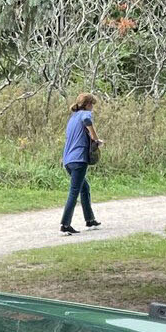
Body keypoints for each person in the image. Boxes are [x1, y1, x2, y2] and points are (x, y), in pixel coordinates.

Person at [59, 92, 102, 235]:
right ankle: (65, 225)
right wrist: (96, 140)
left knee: (84, 188)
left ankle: (90, 220)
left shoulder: (72, 118)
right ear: (88, 104)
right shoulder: (85, 114)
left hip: (68, 160)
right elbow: (87, 120)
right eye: (92, 105)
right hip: (79, 159)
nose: (92, 108)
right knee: (74, 191)